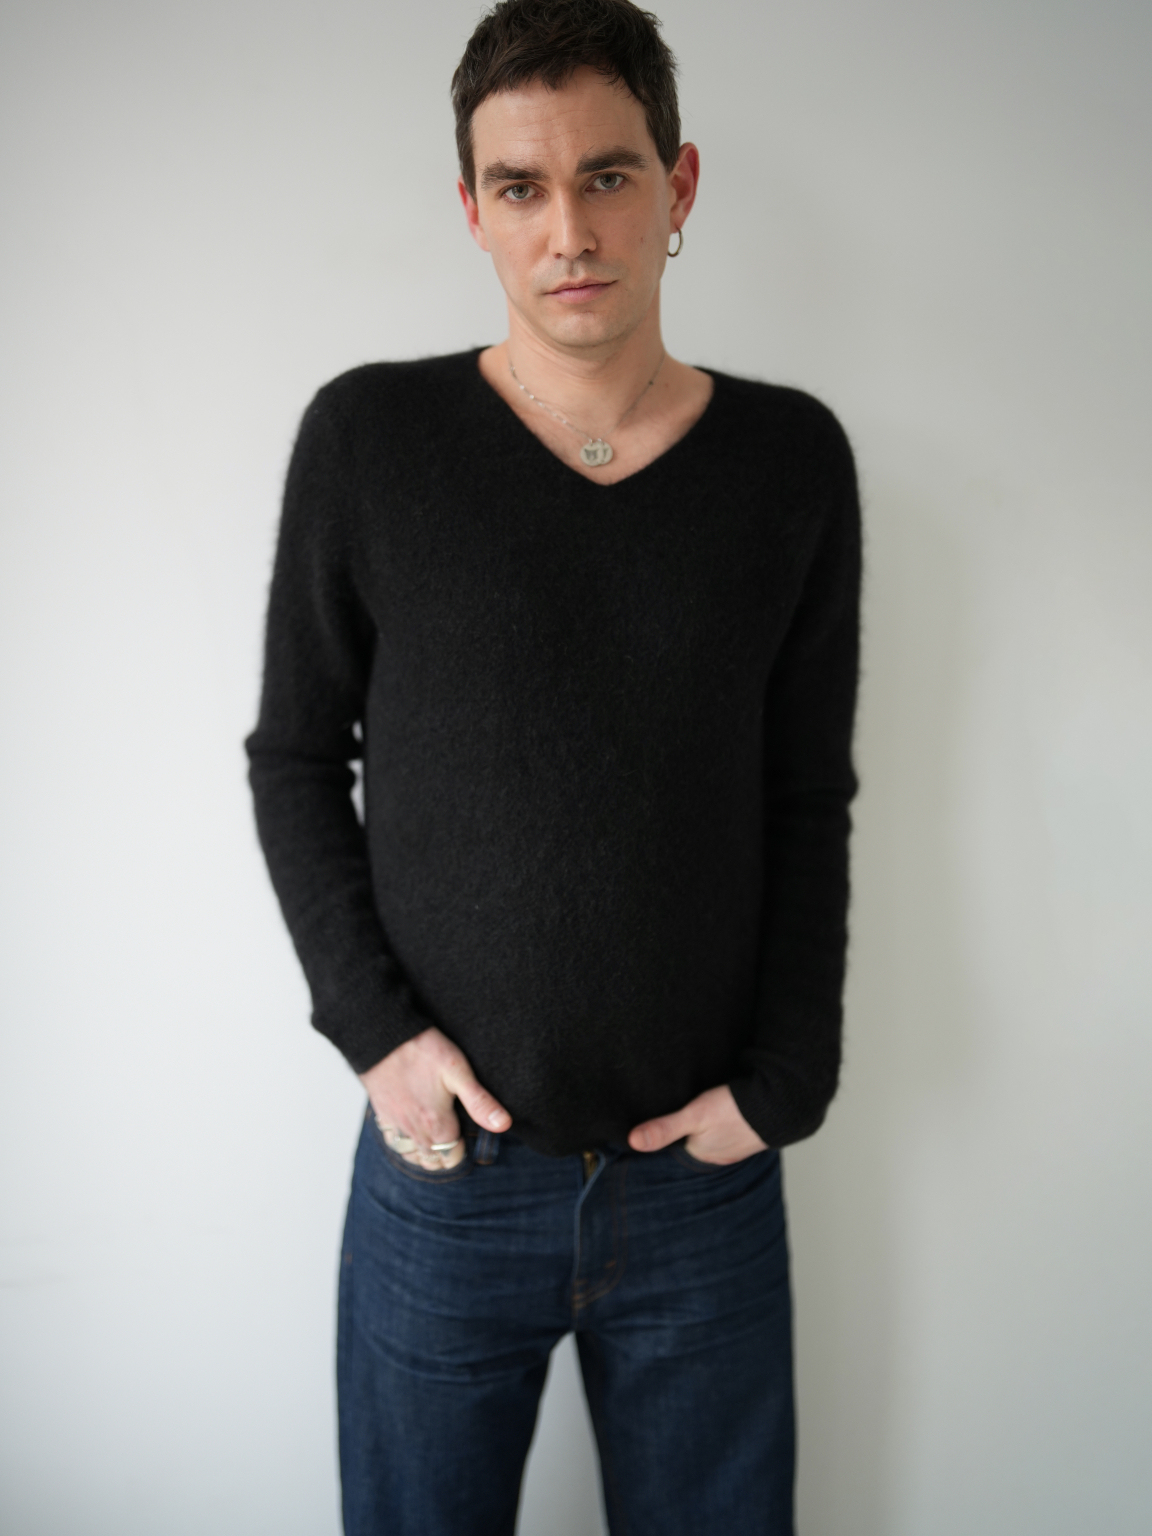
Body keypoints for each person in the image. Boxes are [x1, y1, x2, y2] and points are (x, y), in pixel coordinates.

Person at [245, 1, 861, 1531]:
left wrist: (787, 1082)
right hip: (448, 1176)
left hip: (704, 1179)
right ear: (472, 208)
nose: (568, 230)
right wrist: (378, 1038)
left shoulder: (789, 461)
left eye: (608, 175)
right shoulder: (371, 440)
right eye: (520, 186)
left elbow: (806, 792)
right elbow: (297, 757)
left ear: (680, 183)